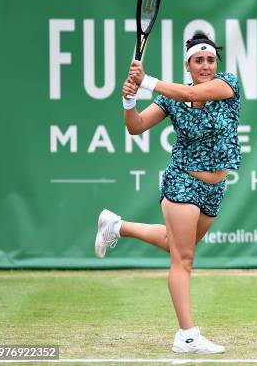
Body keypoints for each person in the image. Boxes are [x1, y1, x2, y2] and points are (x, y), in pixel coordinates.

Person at [94, 31, 241, 354]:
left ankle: (116, 226)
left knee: (175, 244)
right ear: (187, 65)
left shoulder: (228, 84)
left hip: (215, 188)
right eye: (198, 60)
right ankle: (187, 335)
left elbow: (180, 89)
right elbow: (136, 127)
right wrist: (129, 100)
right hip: (181, 182)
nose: (205, 65)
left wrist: (147, 82)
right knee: (183, 257)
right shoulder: (171, 97)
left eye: (210, 60)